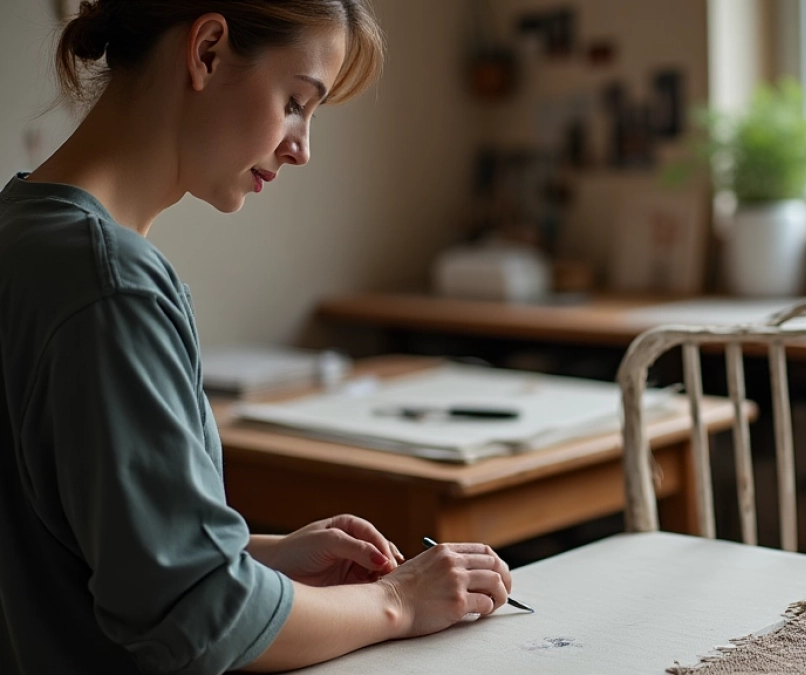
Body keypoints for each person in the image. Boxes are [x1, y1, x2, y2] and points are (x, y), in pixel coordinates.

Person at [0, 2, 514, 673]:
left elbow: (68, 548)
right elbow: (195, 617)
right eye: (297, 102)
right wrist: (399, 600)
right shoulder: (110, 282)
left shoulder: (23, 233)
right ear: (207, 51)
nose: (302, 146)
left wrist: (246, 554)